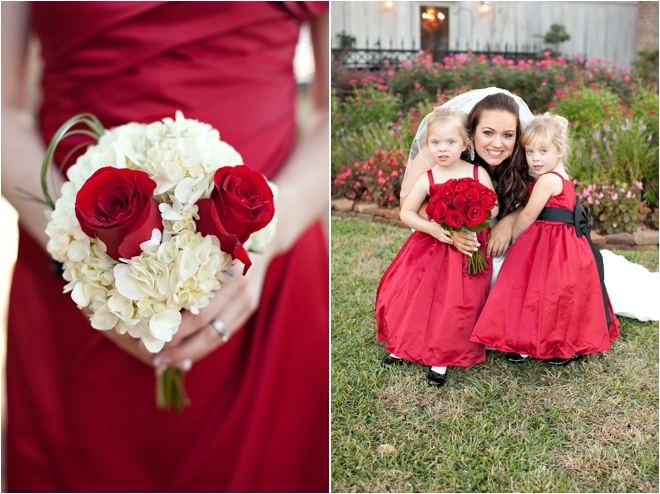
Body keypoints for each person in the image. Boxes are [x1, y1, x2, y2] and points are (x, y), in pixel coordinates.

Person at [2, 2, 329, 492]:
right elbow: (5, 110)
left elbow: (330, 110)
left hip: (265, 280)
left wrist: (266, 237)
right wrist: (78, 250)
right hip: (72, 278)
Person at [469, 113, 620, 364]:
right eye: (529, 152)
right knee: (541, 294)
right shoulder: (559, 176)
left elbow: (528, 214)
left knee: (548, 294)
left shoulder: (548, 180)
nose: (535, 158)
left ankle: (564, 346)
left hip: (552, 244)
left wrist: (513, 237)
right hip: (557, 242)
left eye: (543, 151)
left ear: (560, 151)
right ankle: (529, 343)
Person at [376, 106, 497, 387]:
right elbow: (407, 212)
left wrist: (472, 216)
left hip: (465, 249)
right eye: (435, 143)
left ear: (465, 144)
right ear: (428, 146)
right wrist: (433, 227)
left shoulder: (477, 173)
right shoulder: (429, 178)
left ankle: (441, 358)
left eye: (450, 142)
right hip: (429, 247)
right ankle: (402, 345)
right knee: (414, 296)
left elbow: (493, 207)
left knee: (453, 302)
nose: (442, 149)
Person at [400, 88, 535, 287]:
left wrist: (508, 223)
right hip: (443, 233)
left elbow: (546, 197)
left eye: (508, 135)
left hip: (494, 239)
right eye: (488, 132)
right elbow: (406, 202)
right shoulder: (444, 152)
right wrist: (449, 230)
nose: (497, 144)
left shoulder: (524, 157)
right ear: (471, 133)